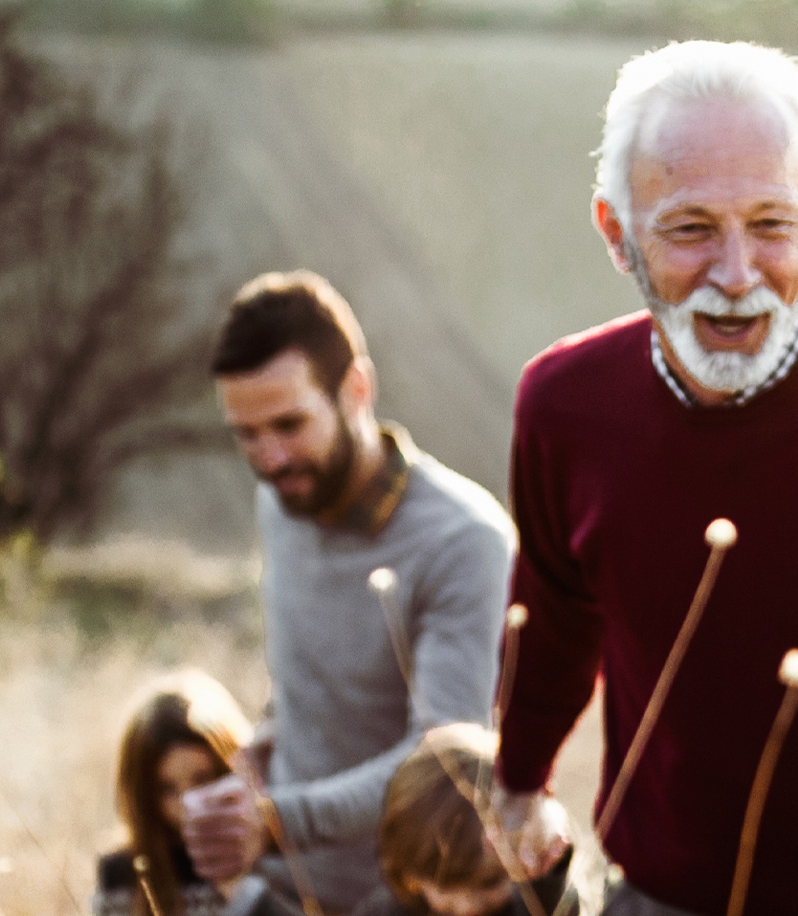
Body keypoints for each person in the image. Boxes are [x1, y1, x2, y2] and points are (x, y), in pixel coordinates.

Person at [491, 40, 798, 916]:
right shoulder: (564, 405)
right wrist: (519, 780)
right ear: (616, 232)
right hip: (654, 896)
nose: (735, 275)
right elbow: (555, 615)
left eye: (771, 225)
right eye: (690, 229)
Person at [182, 270, 517, 914]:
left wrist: (276, 822)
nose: (270, 458)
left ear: (356, 390)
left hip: (404, 896)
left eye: (289, 424)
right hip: (279, 886)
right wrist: (256, 752)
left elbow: (443, 759)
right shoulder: (281, 504)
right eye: (246, 434)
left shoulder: (463, 541)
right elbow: (308, 683)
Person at [96, 673, 302, 916]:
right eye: (167, 789)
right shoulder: (124, 874)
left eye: (202, 780)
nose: (188, 803)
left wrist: (242, 890)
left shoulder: (271, 853)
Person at [357, 724, 599, 916]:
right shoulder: (386, 911)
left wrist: (552, 864)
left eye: (489, 884)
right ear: (409, 875)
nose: (467, 908)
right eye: (444, 888)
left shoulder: (536, 903)